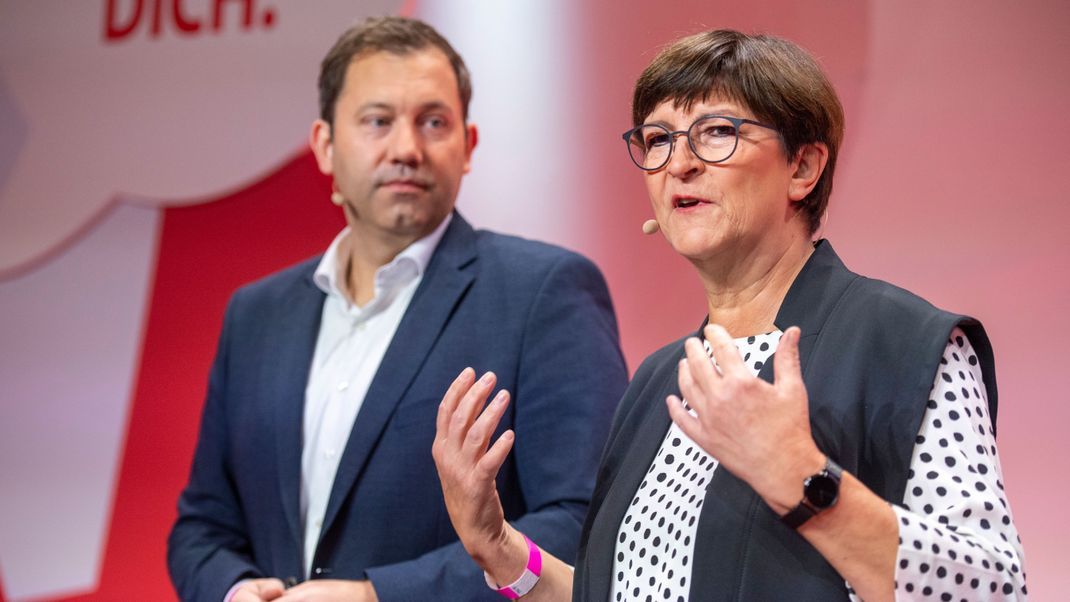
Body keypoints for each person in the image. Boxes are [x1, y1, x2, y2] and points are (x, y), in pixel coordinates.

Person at [434, 29, 1027, 601]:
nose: (679, 163)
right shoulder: (658, 380)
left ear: (803, 168)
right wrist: (499, 547)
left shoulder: (902, 342)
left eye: (717, 132)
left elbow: (990, 588)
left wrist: (802, 479)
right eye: (659, 138)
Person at [166, 16, 628, 602]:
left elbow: (587, 521)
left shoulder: (545, 292)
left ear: (468, 147)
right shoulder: (256, 315)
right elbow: (201, 526)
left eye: (433, 122)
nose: (407, 148)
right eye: (378, 121)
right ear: (326, 147)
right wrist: (233, 592)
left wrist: (375, 597)